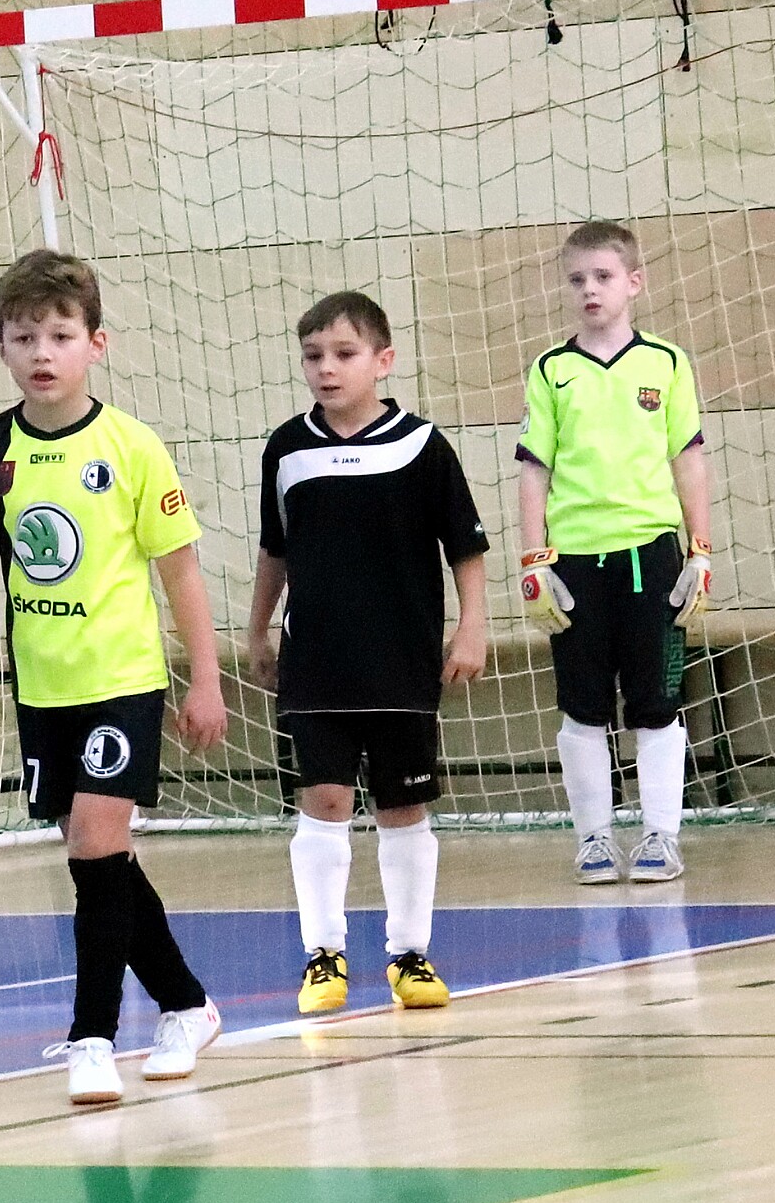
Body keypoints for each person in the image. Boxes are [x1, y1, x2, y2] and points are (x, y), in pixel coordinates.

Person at [0, 249, 228, 1108]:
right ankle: (187, 1004)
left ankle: (93, 1036)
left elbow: (180, 571)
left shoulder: (132, 447)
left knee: (95, 845)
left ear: (96, 343)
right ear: (1, 345)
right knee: (101, 859)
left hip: (121, 679)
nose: (42, 352)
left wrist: (204, 679)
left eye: (60, 335)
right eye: (24, 336)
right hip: (43, 687)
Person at [246, 293, 489, 1015]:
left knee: (402, 805)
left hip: (402, 661)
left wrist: (472, 626)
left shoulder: (423, 446)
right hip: (317, 661)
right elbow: (275, 550)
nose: (327, 368)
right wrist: (257, 630)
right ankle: (323, 954)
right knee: (322, 799)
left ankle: (409, 952)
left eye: (344, 354)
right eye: (313, 356)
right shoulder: (287, 448)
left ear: (383, 361)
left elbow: (466, 548)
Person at [517, 220, 712, 883]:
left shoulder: (667, 363)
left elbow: (688, 459)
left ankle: (661, 835)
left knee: (657, 701)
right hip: (574, 563)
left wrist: (700, 550)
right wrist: (534, 560)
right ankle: (594, 838)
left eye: (603, 276)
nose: (589, 289)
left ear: (634, 282)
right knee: (582, 706)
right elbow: (534, 470)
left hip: (651, 557)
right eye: (577, 279)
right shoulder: (552, 370)